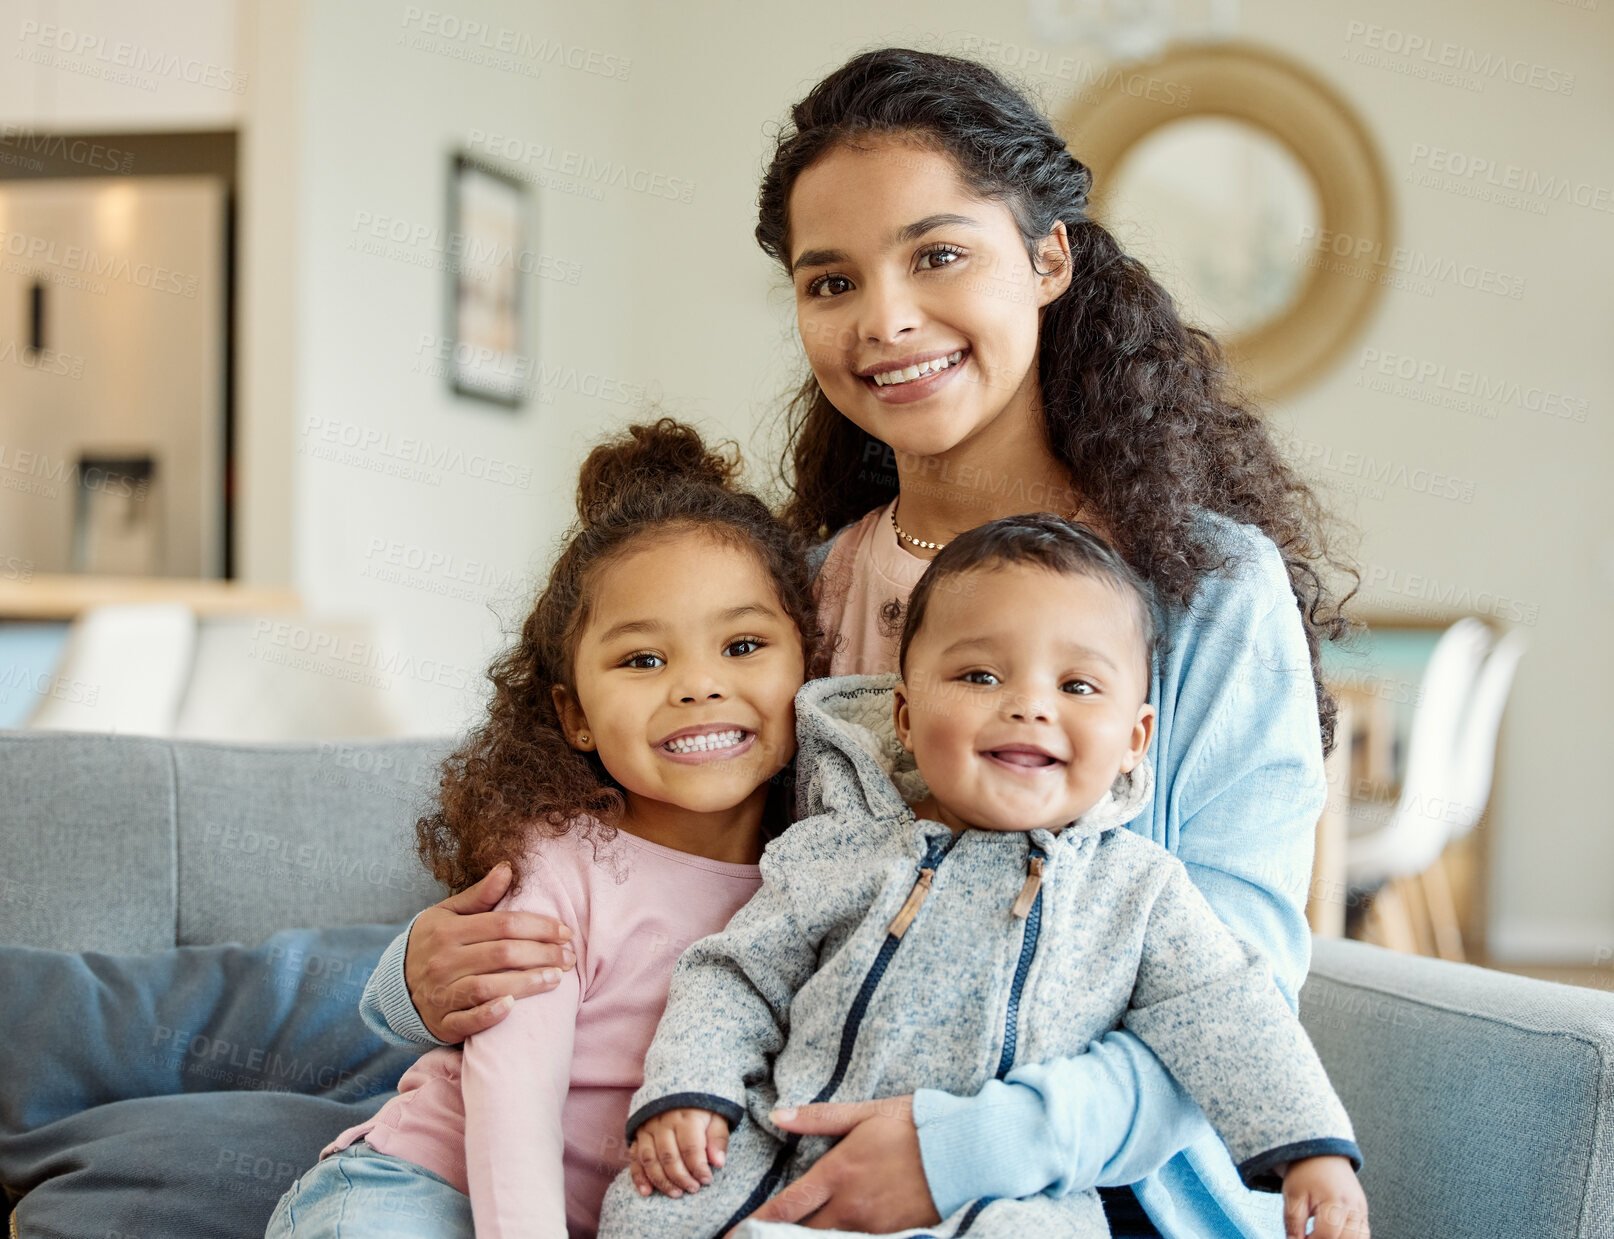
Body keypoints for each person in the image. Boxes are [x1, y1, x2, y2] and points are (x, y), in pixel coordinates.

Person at [363, 47, 1357, 1239]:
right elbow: (655, 886)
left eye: (938, 255)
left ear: (1047, 259)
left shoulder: (1205, 590)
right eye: (830, 282)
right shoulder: (802, 593)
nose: (885, 321)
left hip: (1088, 1196)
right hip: (768, 1175)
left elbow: (1239, 995)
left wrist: (959, 1152)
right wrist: (411, 985)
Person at [599, 515, 1368, 1239]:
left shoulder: (1140, 890)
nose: (1028, 705)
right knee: (652, 1203)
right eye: (978, 675)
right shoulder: (837, 847)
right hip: (790, 1146)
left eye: (1077, 686)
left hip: (1005, 1191)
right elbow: (735, 975)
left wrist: (1313, 1150)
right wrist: (689, 1091)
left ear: (1135, 738)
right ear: (903, 716)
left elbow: (1232, 1011)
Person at [264, 419, 822, 1238]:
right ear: (575, 714)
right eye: (642, 660)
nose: (700, 685)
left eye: (742, 644)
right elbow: (514, 1109)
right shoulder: (558, 864)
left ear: (808, 661)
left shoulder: (820, 868)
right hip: (426, 1184)